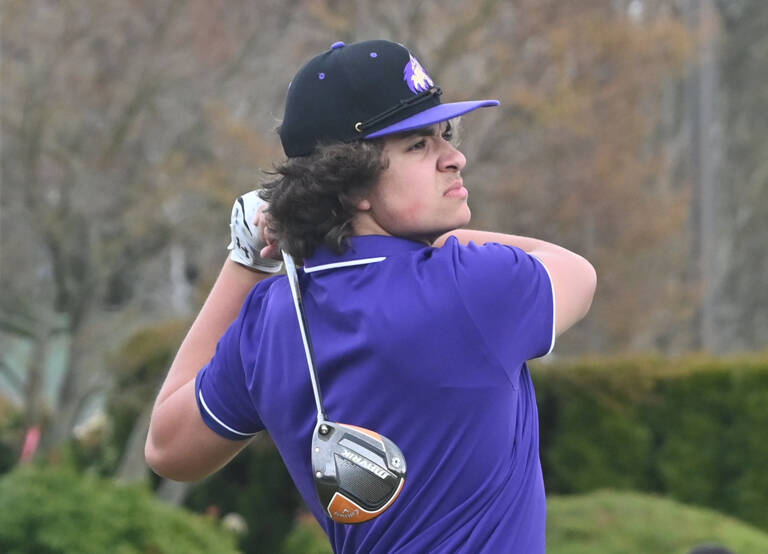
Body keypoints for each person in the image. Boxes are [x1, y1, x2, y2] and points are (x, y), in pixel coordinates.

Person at [145, 39, 597, 553]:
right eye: (418, 145)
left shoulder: (271, 317)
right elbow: (576, 272)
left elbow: (168, 450)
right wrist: (437, 238)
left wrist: (249, 257)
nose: (455, 157)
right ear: (352, 183)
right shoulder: (473, 285)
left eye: (444, 136)